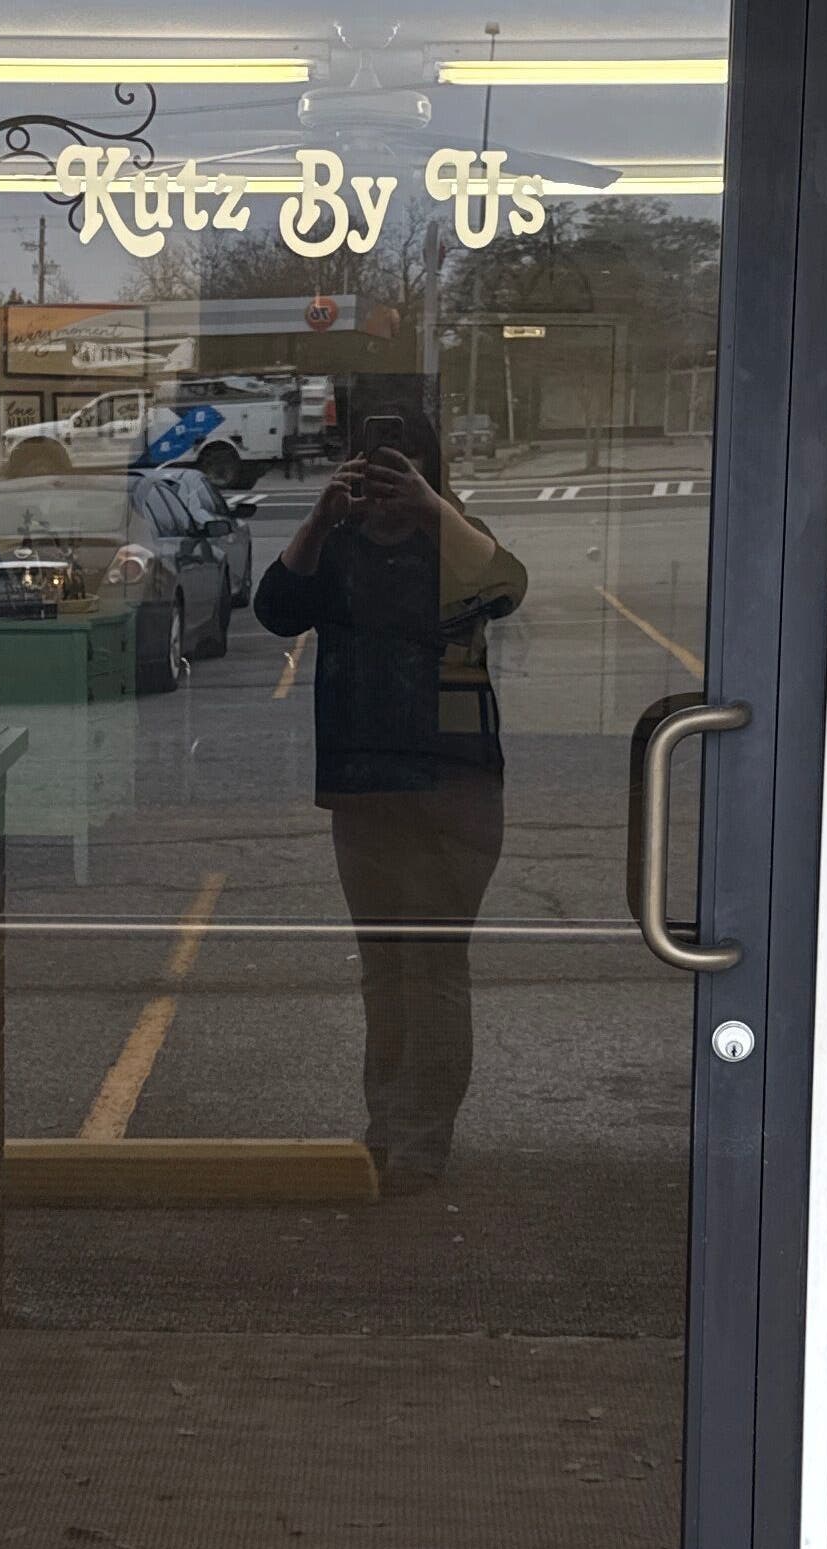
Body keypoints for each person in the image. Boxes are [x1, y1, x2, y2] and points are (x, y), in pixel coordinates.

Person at [254, 396, 528, 1196]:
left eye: (402, 461)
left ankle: (421, 1142)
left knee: (433, 967)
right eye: (375, 459)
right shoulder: (336, 545)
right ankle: (383, 1129)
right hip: (362, 786)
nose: (387, 474)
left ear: (430, 468)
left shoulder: (457, 540)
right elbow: (276, 611)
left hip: (453, 785)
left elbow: (507, 588)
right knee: (383, 968)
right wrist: (318, 515)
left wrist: (431, 508)